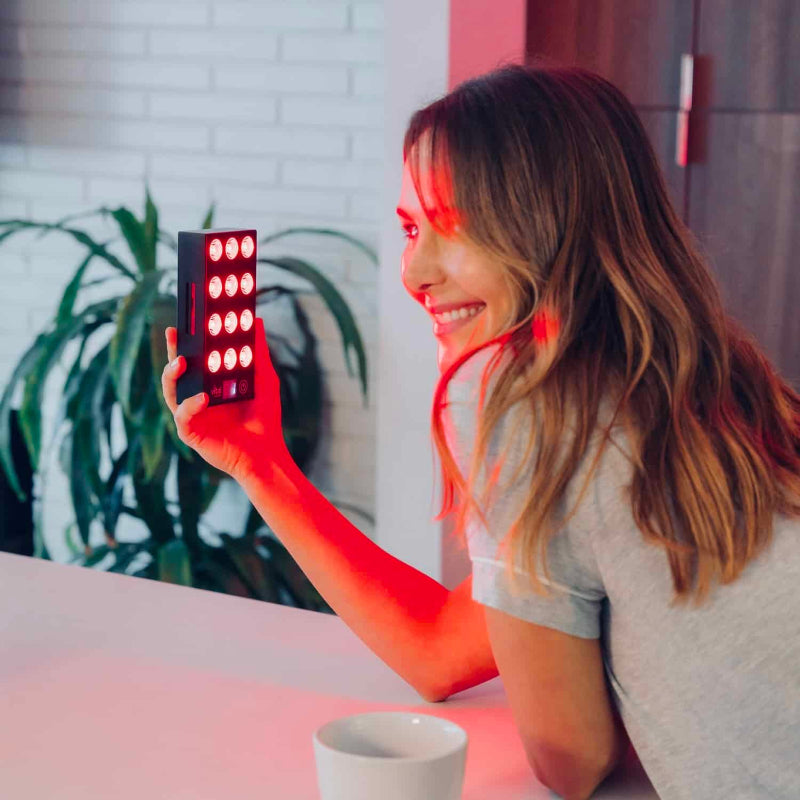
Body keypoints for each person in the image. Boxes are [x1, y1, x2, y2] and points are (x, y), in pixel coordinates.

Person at [162, 62, 800, 800]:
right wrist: (260, 461)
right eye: (410, 228)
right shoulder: (726, 388)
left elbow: (571, 759)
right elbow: (439, 651)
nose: (414, 271)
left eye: (456, 229)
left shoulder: (521, 396)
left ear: (551, 230)